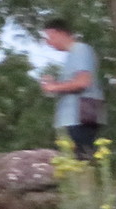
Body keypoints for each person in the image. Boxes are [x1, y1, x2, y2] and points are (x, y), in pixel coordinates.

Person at [38, 17, 101, 160]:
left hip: (82, 113)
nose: (48, 42)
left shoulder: (80, 49)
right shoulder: (72, 55)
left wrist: (54, 87)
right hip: (78, 114)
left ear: (59, 33)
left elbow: (83, 82)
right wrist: (55, 85)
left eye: (49, 37)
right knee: (75, 158)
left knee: (80, 158)